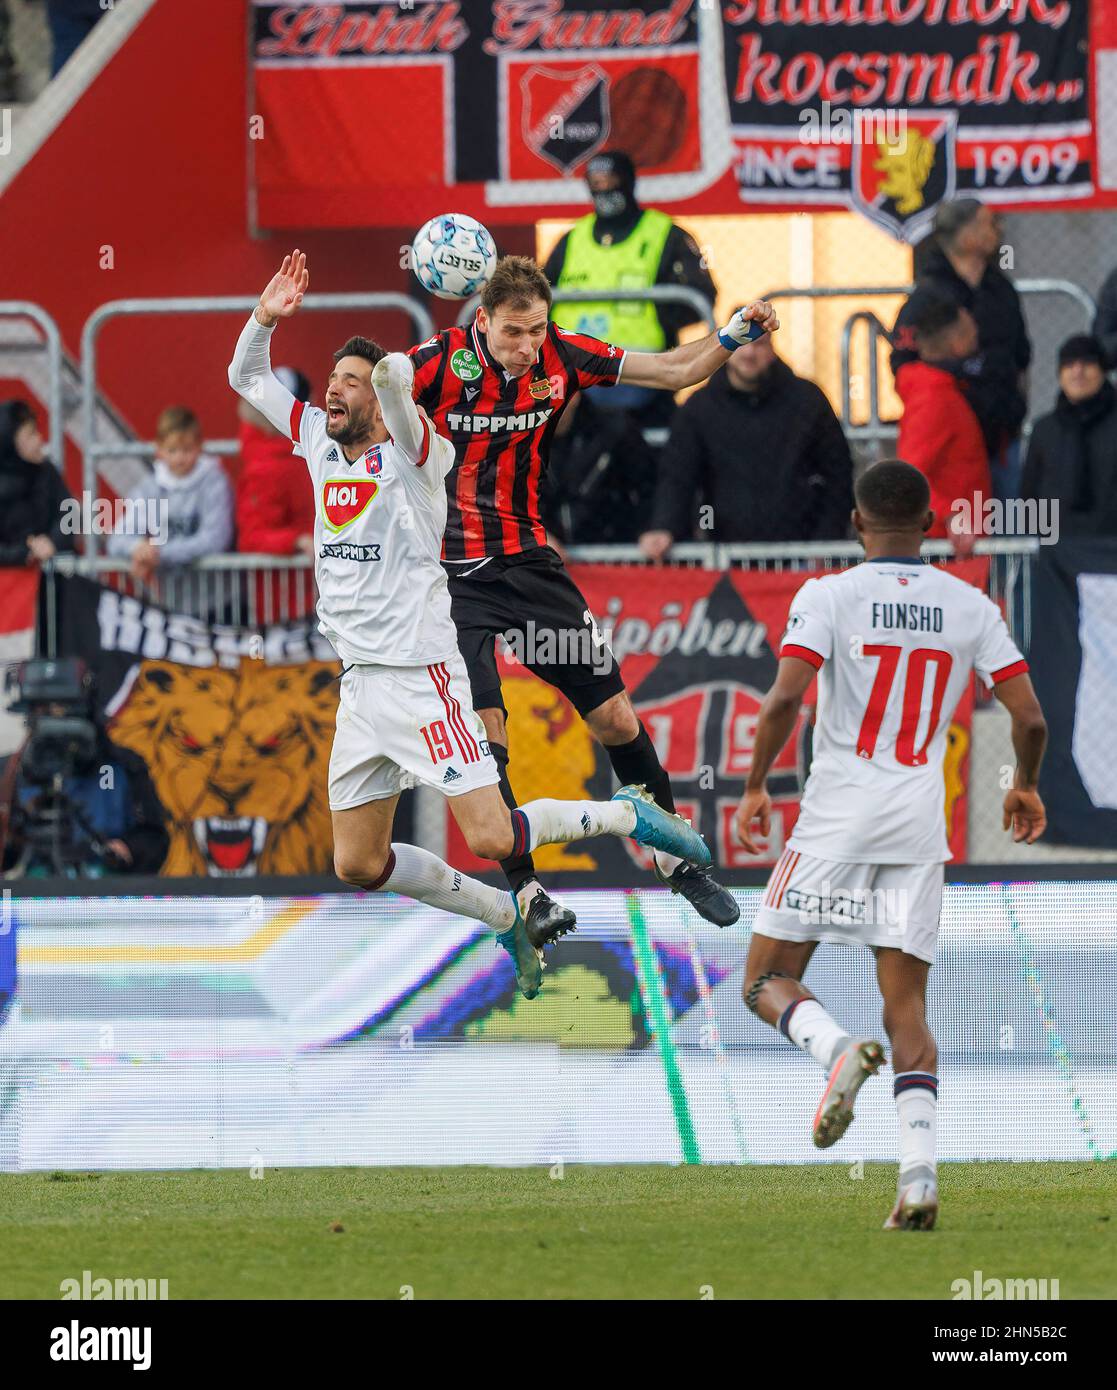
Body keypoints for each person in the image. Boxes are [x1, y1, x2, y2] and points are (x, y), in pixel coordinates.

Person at [227, 250, 713, 1000]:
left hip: (423, 677)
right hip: (360, 690)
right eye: (330, 382)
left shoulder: (422, 458)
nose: (334, 391)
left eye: (348, 383)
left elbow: (396, 384)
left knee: (490, 832)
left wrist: (424, 329)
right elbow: (248, 379)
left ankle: (629, 816)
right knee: (358, 864)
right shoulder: (317, 444)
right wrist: (264, 318)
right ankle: (501, 912)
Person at [409, 254, 778, 937]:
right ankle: (527, 894)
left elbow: (671, 370)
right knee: (488, 736)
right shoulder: (434, 363)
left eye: (535, 331)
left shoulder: (563, 356)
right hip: (447, 581)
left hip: (528, 565)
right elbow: (364, 414)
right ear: (481, 320)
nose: (525, 347)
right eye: (513, 332)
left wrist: (729, 337)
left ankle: (676, 860)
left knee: (613, 718)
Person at [733, 459, 1047, 1231]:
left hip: (835, 817)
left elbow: (783, 697)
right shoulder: (971, 604)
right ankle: (917, 1181)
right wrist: (1023, 783)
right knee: (906, 1009)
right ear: (930, 524)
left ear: (855, 523)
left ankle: (835, 1051)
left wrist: (751, 787)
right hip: (915, 824)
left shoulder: (828, 595)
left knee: (763, 980)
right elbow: (1029, 719)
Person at [638, 329, 853, 560]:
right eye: (740, 342)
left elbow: (838, 475)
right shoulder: (700, 409)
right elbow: (678, 476)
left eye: (758, 344)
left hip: (801, 557)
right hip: (724, 557)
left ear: (772, 349)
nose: (749, 352)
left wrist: (825, 541)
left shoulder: (808, 402)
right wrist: (665, 527)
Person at [543, 150, 716, 429]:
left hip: (643, 375)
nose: (603, 190)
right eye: (594, 183)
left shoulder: (665, 234)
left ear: (628, 181)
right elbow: (539, 296)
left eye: (610, 180)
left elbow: (702, 294)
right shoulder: (572, 239)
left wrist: (664, 317)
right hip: (575, 381)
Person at [891, 199, 1031, 500]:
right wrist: (962, 373)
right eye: (989, 223)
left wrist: (1013, 405)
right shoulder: (928, 295)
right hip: (952, 444)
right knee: (957, 534)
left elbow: (1021, 357)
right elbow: (903, 363)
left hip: (1002, 438)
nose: (999, 230)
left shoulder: (1000, 290)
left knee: (1008, 535)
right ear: (966, 236)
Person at [894, 291, 988, 553]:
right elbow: (909, 474)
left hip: (954, 540)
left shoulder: (942, 390)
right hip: (946, 545)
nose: (977, 337)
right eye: (970, 331)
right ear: (956, 343)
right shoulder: (934, 397)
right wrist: (950, 516)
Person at [106, 406, 234, 582]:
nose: (180, 458)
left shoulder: (214, 482)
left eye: (187, 450)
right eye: (172, 450)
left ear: (199, 447)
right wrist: (137, 548)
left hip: (220, 600)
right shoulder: (149, 488)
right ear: (159, 449)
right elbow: (117, 539)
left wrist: (158, 553)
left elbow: (215, 539)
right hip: (172, 601)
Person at [1021, 335, 1117, 537]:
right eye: (1069, 364)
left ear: (1102, 371)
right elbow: (1029, 495)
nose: (1077, 371)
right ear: (1059, 374)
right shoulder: (1044, 430)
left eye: (1087, 363)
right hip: (1058, 552)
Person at [539, 389, 654, 547]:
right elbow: (502, 501)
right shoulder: (513, 438)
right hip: (546, 560)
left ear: (574, 395)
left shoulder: (616, 429)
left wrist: (651, 529)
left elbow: (650, 486)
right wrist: (532, 536)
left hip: (614, 554)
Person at [0, 399, 76, 569]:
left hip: (52, 583)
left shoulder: (46, 472)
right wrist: (24, 552)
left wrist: (51, 542)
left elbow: (69, 515)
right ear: (10, 441)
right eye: (31, 434)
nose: (40, 440)